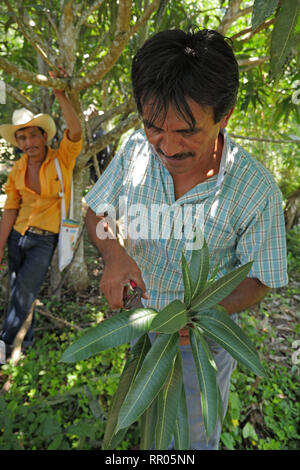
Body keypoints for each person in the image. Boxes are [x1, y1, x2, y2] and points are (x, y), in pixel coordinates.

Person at [84, 28, 288, 449]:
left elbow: (262, 277)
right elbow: (97, 209)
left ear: (225, 115)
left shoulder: (255, 190)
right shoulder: (137, 150)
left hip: (203, 343)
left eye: (187, 132)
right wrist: (113, 252)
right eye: (153, 126)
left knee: (194, 436)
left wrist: (195, 316)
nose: (167, 146)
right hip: (141, 322)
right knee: (150, 430)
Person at [0, 71, 82, 361]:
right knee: (18, 293)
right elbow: (10, 208)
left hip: (43, 241)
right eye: (21, 137)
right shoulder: (18, 168)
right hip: (17, 237)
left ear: (44, 136)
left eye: (32, 134)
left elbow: (76, 131)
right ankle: (28, 339)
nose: (27, 141)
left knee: (24, 291)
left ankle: (3, 345)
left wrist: (61, 94)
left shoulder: (62, 158)